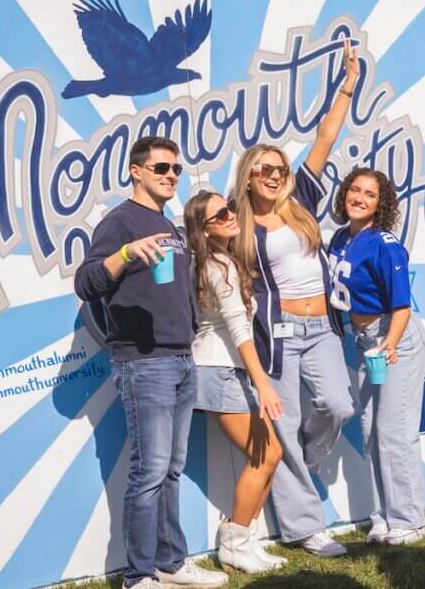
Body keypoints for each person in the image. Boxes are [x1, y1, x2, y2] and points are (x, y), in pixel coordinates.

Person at [74, 138, 227, 589]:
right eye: (161, 166)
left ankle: (170, 563)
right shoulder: (119, 221)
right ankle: (138, 576)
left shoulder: (172, 227)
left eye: (176, 168)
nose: (170, 174)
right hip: (145, 363)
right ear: (135, 171)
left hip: (181, 360)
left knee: (171, 469)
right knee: (150, 470)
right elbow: (86, 282)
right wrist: (123, 255)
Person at [230, 40, 359, 557]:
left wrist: (347, 84)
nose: (275, 176)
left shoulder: (300, 200)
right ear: (249, 177)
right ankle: (307, 527)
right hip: (277, 337)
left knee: (337, 404)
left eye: (279, 169)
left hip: (321, 326)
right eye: (264, 170)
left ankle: (300, 463)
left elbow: (326, 136)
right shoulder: (239, 225)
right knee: (279, 426)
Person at [183, 191, 287, 574]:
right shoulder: (215, 265)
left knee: (270, 455)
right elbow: (238, 328)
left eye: (228, 209)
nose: (230, 216)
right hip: (217, 370)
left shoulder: (221, 260)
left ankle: (244, 540)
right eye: (219, 215)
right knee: (264, 457)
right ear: (203, 230)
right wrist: (263, 383)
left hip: (225, 369)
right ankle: (234, 544)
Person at [327, 168, 425, 546]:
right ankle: (384, 517)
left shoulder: (385, 244)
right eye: (354, 189)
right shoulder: (339, 238)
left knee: (394, 431)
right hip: (363, 342)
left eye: (369, 194)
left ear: (380, 203)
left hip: (394, 340)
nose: (359, 198)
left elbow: (401, 305)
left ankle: (410, 520)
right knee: (371, 431)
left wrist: (390, 343)